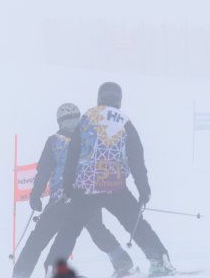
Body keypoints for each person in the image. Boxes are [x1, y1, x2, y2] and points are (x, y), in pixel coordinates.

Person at [51, 82, 177, 277]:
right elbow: (136, 158)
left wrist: (68, 187)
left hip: (85, 188)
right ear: (119, 100)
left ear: (99, 98)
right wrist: (143, 189)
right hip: (115, 186)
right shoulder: (125, 122)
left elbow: (72, 157)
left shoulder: (85, 120)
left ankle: (55, 269)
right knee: (135, 223)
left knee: (70, 228)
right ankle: (159, 261)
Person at [12, 103, 134, 278]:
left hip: (69, 198)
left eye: (75, 117)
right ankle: (121, 260)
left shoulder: (65, 141)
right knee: (95, 229)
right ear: (60, 122)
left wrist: (36, 195)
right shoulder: (81, 139)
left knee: (40, 236)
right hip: (79, 198)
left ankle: (23, 272)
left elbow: (44, 171)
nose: (72, 121)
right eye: (68, 118)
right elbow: (44, 171)